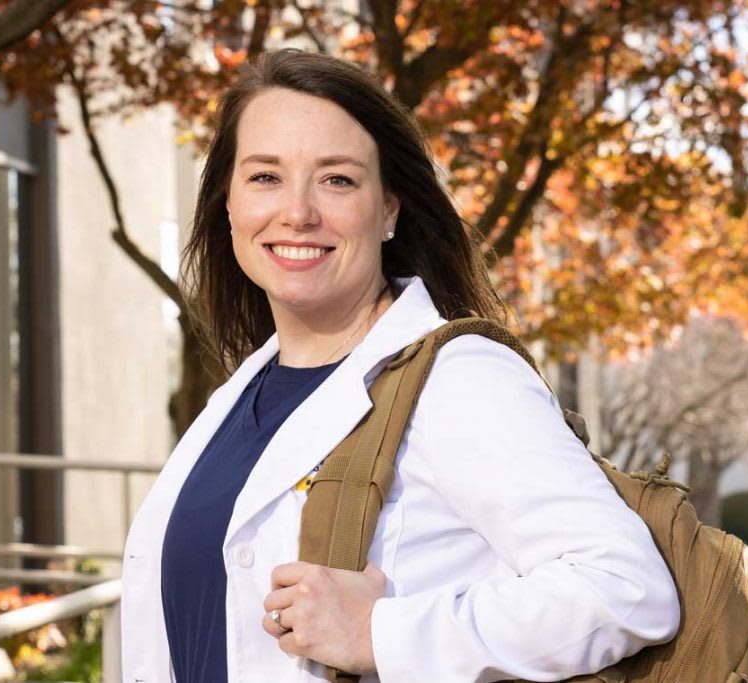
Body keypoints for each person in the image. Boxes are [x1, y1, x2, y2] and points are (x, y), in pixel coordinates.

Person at [121, 48, 680, 683]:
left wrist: (378, 632)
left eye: (337, 179)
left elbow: (627, 588)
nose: (298, 212)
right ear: (228, 204)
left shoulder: (460, 377)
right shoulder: (238, 398)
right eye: (265, 177)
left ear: (389, 209)